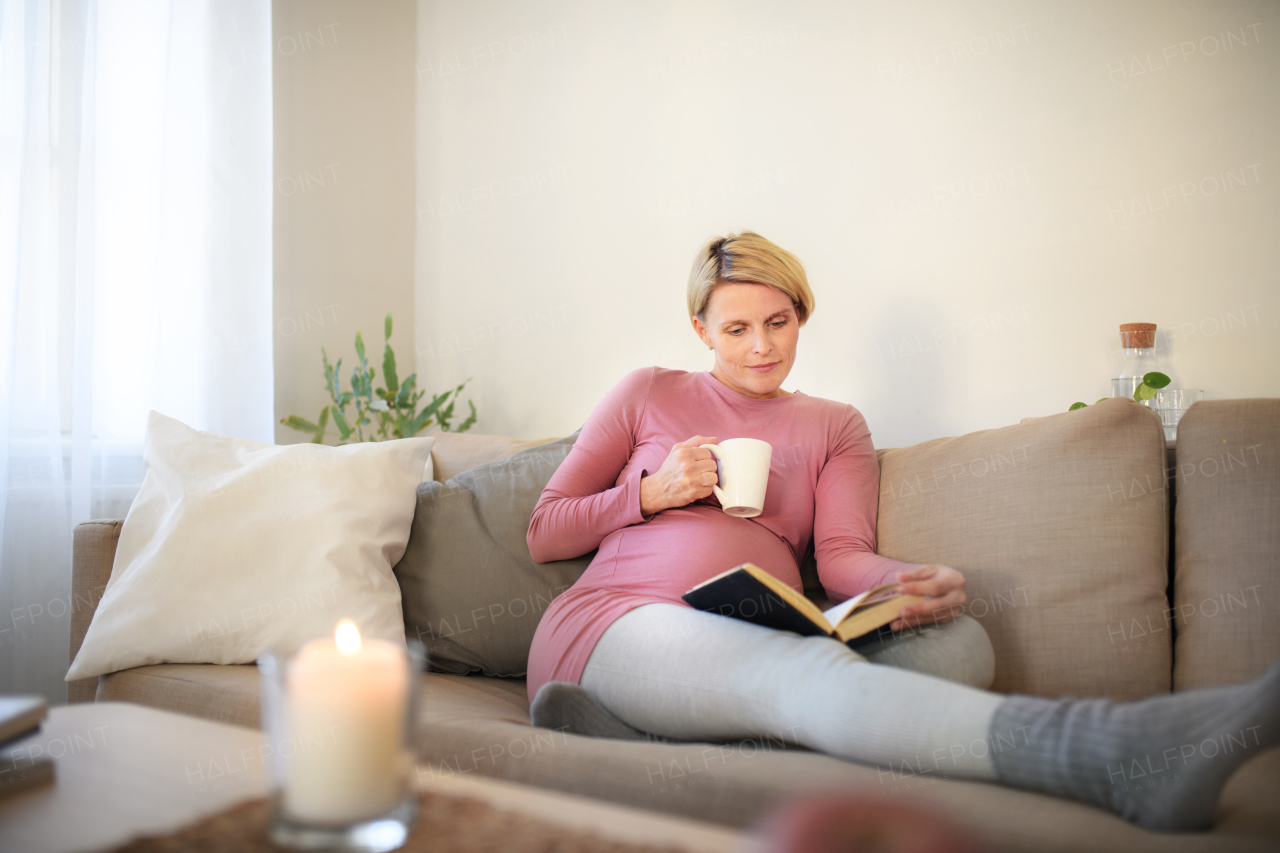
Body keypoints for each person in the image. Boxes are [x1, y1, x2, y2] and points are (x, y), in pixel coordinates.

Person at [524, 230, 1278, 832]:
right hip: (620, 621)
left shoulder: (834, 424)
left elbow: (842, 556)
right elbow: (544, 531)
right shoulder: (649, 391)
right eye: (737, 329)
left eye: (779, 322)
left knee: (961, 640)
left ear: (802, 314)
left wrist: (904, 580)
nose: (761, 347)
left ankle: (652, 736)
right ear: (701, 330)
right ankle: (1114, 753)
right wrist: (650, 493)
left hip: (763, 624)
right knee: (802, 676)